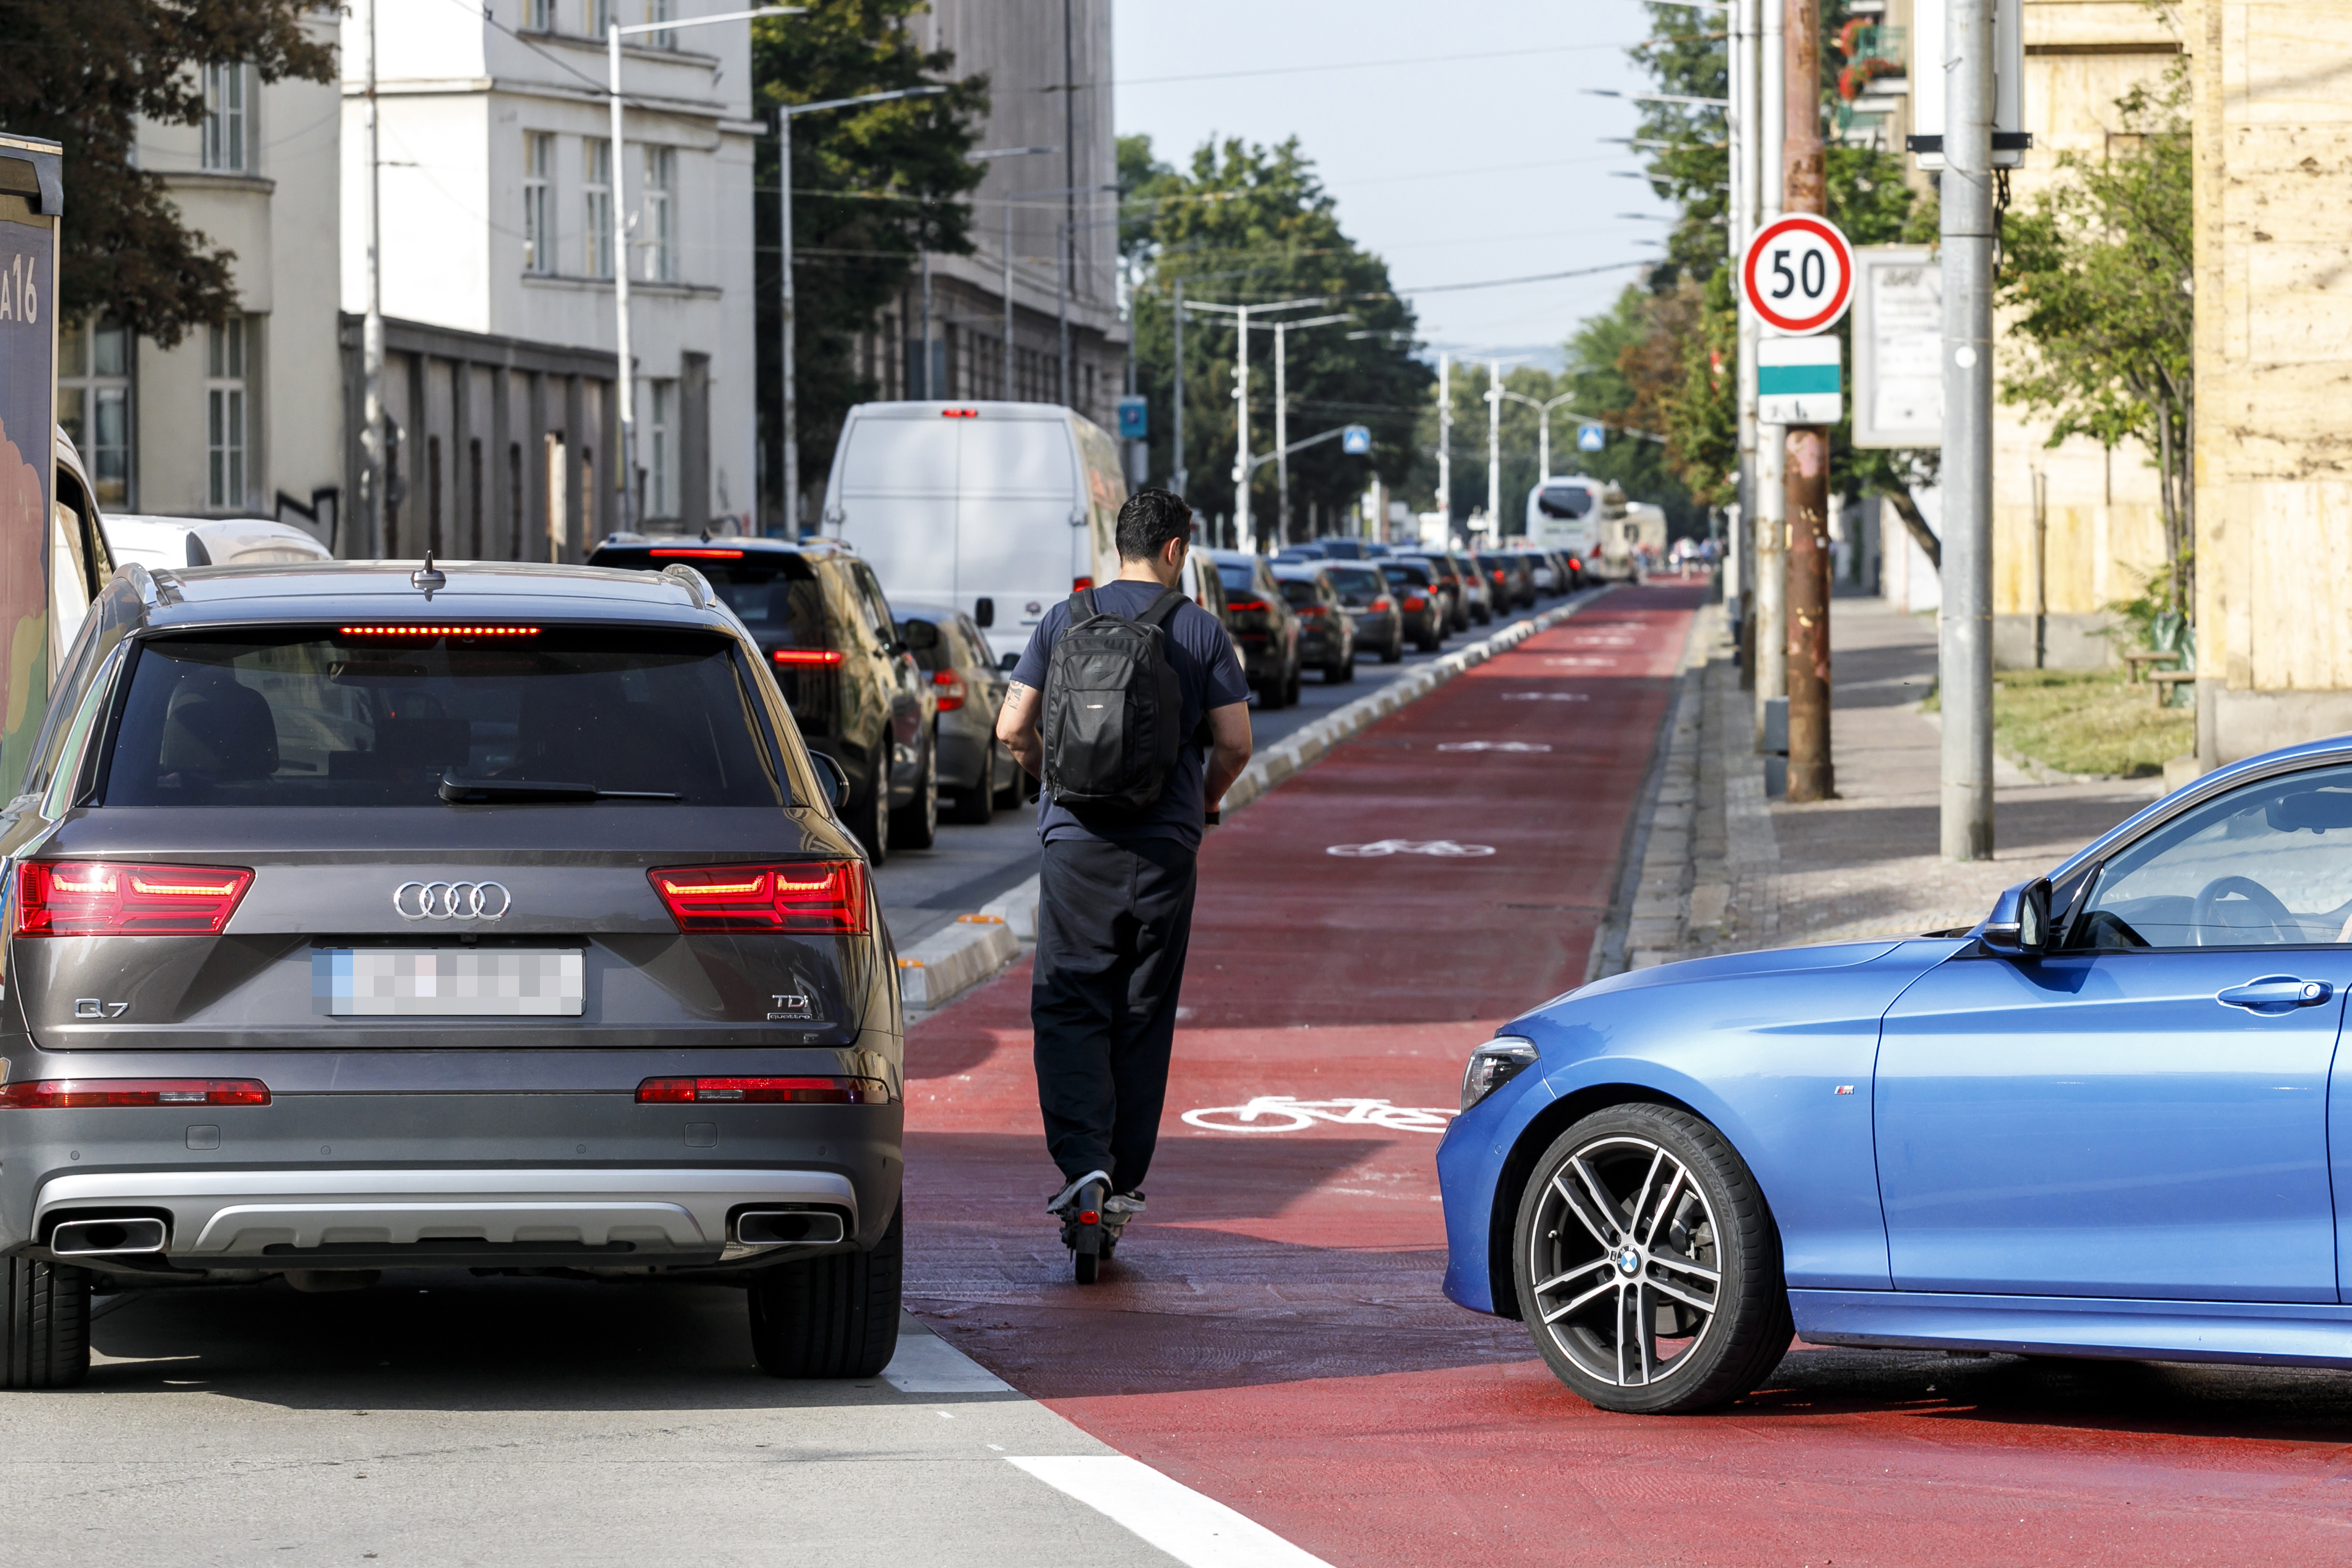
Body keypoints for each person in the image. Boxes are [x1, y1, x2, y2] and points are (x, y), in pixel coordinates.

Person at [994, 488, 1253, 1272]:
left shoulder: (1062, 620)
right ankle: (1122, 1179)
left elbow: (1012, 728)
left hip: (1075, 846)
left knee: (1070, 1001)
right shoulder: (1199, 630)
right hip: (1164, 850)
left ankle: (1083, 1165)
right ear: (1176, 549)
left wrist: (1053, 783)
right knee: (1141, 1009)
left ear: (1119, 545)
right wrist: (1201, 806)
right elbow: (1235, 742)